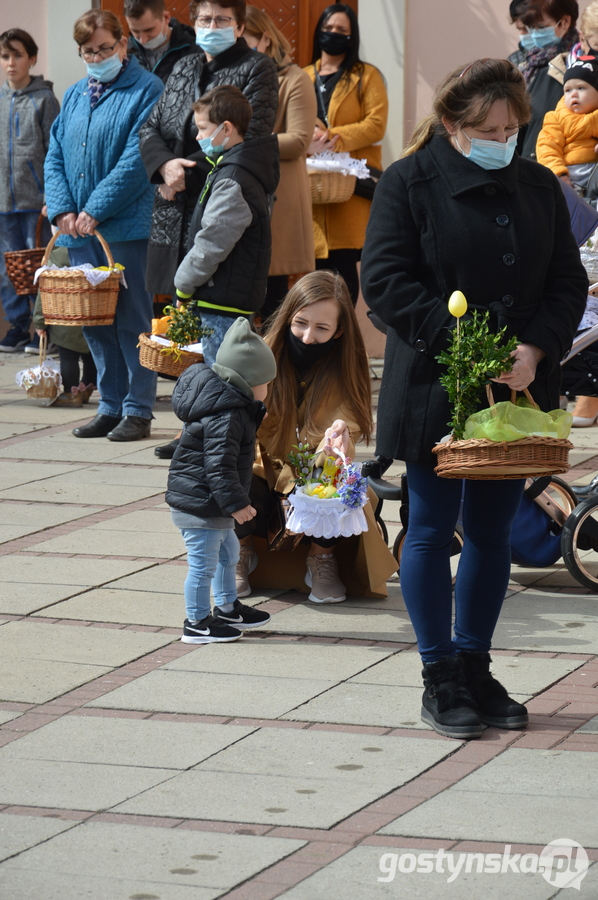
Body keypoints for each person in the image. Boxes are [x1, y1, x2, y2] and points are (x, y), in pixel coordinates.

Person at [361, 58, 588, 739]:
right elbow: (387, 282)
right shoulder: (409, 182)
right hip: (438, 383)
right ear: (455, 127)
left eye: (515, 126)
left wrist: (538, 347)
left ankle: (477, 665)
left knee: (493, 532)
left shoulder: (538, 186)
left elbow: (566, 281)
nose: (506, 138)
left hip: (517, 391)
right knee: (431, 528)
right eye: (490, 128)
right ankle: (440, 676)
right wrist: (471, 348)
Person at [235, 270, 397, 603]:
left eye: (321, 328)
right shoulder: (261, 354)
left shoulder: (346, 368)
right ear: (287, 318)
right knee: (229, 466)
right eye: (300, 323)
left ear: (339, 331)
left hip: (309, 473)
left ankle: (323, 558)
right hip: (260, 470)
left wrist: (339, 432)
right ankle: (239, 552)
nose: (308, 337)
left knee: (334, 471)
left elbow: (345, 424)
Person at [44, 9, 163, 442]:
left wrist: (94, 208)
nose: (97, 56)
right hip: (80, 230)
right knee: (93, 320)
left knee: (132, 321)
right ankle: (110, 405)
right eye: (88, 51)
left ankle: (138, 408)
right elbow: (54, 153)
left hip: (125, 227)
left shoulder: (147, 89)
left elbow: (137, 159)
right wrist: (62, 211)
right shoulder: (75, 94)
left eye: (105, 48)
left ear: (123, 45)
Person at [138, 0, 279, 301]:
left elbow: (246, 137)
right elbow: (150, 128)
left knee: (212, 317)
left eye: (222, 20)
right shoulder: (184, 65)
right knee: (171, 320)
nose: (211, 27)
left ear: (239, 26)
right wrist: (164, 167)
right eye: (204, 20)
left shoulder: (257, 67)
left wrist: (180, 177)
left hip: (221, 202)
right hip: (171, 207)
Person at [166, 316, 276, 644]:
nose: (268, 388)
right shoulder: (226, 417)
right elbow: (219, 467)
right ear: (246, 380)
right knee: (203, 566)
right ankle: (197, 622)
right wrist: (238, 504)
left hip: (211, 503)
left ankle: (227, 607)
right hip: (201, 505)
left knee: (228, 554)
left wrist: (254, 413)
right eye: (265, 382)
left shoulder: (232, 407)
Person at [173, 85, 279, 365]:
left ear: (227, 128)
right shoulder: (232, 169)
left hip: (223, 304)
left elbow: (212, 242)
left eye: (203, 128)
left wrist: (183, 286)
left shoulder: (234, 178)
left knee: (224, 386)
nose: (198, 137)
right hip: (226, 299)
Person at [303, 3, 388, 306]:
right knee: (311, 269)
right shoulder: (304, 76)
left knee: (343, 264)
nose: (333, 35)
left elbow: (376, 124)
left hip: (348, 187)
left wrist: (334, 137)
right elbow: (291, 119)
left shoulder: (366, 75)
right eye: (328, 29)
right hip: (311, 184)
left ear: (352, 37)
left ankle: (341, 334)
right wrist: (309, 133)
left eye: (341, 30)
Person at [244, 6, 316, 320]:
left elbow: (299, 140)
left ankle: (275, 366)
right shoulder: (232, 75)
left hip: (277, 197)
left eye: (244, 41)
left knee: (272, 297)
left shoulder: (295, 79)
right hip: (239, 194)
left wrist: (240, 145)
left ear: (265, 39)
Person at [0, 28, 59, 353]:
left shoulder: (44, 99)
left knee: (39, 266)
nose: (10, 63)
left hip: (36, 203)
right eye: (5, 56)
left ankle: (44, 328)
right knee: (7, 267)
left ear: (32, 59)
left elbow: (55, 151)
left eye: (17, 55)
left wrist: (52, 196)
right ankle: (18, 326)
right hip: (3, 204)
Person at [509, 0, 580, 160]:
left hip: (564, 167)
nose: (534, 34)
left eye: (541, 28)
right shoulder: (531, 62)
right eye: (531, 28)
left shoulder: (578, 64)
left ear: (565, 22)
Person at [33, 243, 97, 407]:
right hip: (94, 311)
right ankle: (87, 387)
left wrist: (39, 321)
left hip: (64, 314)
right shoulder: (97, 249)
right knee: (91, 353)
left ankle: (71, 392)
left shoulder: (57, 253)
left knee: (68, 355)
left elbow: (44, 289)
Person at [536, 54, 598, 189]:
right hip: (569, 176)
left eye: (581, 88)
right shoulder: (556, 118)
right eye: (568, 90)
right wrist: (559, 174)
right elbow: (547, 148)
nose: (573, 94)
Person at [124, 0, 196, 83]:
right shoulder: (124, 52)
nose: (142, 40)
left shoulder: (194, 49)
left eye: (149, 30)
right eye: (135, 31)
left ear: (166, 18)